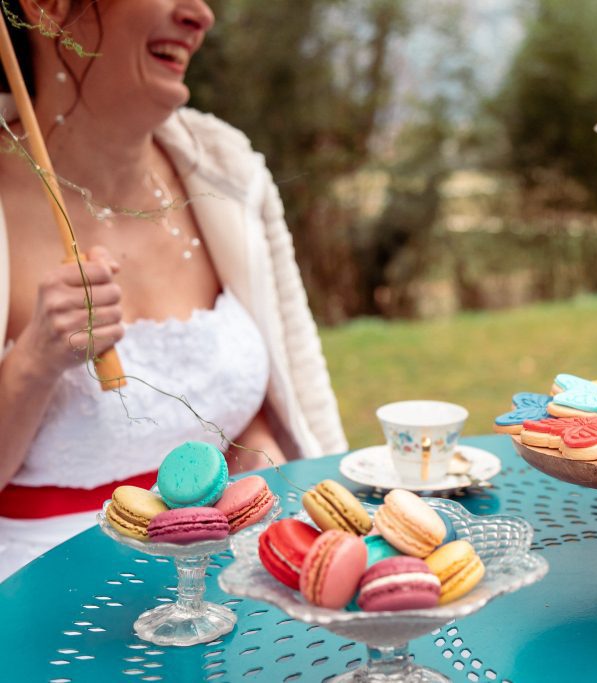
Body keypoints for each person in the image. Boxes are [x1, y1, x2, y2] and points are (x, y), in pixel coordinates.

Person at [0, 0, 346, 579]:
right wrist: (36, 361)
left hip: (239, 577)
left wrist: (286, 509)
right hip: (42, 593)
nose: (200, 14)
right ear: (49, 8)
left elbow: (280, 401)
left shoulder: (228, 172)